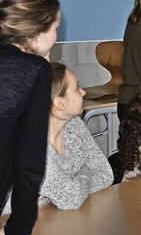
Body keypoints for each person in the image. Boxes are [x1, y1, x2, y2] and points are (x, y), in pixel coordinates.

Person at [2, 63, 113, 215]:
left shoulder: (73, 124)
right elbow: (71, 199)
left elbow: (105, 174)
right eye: (77, 88)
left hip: (53, 218)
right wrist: (82, 175)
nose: (83, 92)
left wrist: (68, 185)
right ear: (60, 103)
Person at [0, 0, 60, 235]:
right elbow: (29, 161)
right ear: (36, 33)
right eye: (56, 28)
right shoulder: (34, 70)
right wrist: (19, 226)